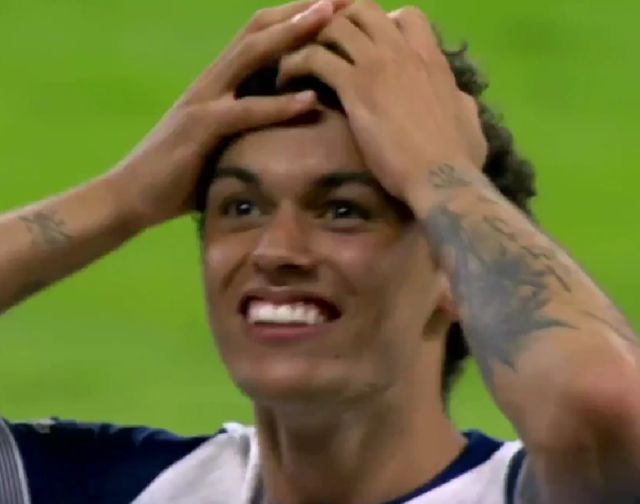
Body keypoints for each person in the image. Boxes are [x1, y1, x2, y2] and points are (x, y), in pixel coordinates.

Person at [0, 0, 638, 502]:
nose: (276, 250)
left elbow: (608, 405)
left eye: (343, 211)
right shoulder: (113, 487)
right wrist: (125, 195)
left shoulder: (535, 489)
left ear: (455, 272)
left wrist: (438, 170)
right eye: (240, 207)